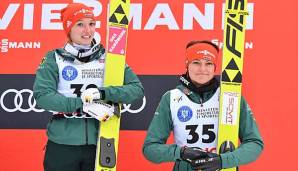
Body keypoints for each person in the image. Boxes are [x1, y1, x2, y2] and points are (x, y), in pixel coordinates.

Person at [33, 3, 144, 171]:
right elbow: (42, 96)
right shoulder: (53, 58)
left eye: (91, 24)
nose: (88, 30)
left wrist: (102, 93)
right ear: (68, 28)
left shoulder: (109, 58)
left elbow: (136, 90)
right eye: (80, 24)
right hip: (62, 143)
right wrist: (84, 103)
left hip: (100, 140)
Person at [142, 40, 264, 171]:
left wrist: (223, 161)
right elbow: (150, 148)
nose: (203, 69)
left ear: (214, 67)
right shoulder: (172, 98)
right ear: (187, 65)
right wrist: (181, 153)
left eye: (209, 63)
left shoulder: (229, 97)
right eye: (196, 63)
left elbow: (255, 143)